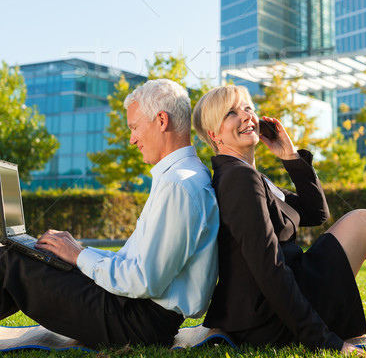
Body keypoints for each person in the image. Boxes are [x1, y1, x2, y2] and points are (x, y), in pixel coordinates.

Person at [0, 79, 219, 349]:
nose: (132, 139)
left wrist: (80, 256)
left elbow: (142, 280)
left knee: (10, 259)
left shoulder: (179, 185)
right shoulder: (181, 177)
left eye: (135, 127)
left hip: (134, 322)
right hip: (133, 311)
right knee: (25, 254)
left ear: (161, 121)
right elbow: (135, 264)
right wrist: (79, 252)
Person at [193, 84, 366, 354]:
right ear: (214, 134)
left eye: (248, 108)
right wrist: (325, 341)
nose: (246, 116)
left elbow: (316, 213)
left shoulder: (249, 175)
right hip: (271, 317)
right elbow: (269, 268)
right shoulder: (238, 179)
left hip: (285, 296)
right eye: (231, 113)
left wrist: (290, 156)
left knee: (365, 220)